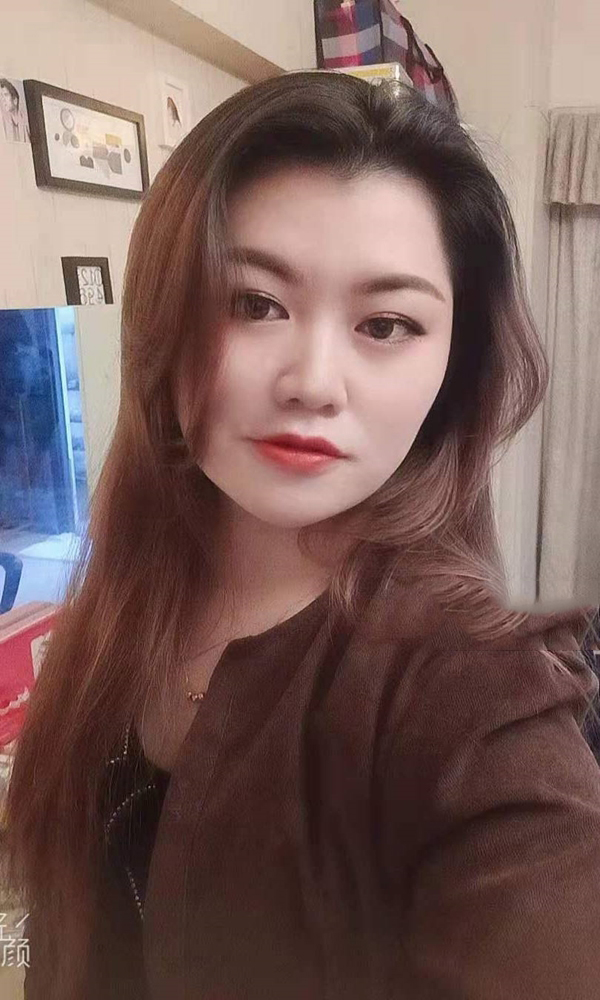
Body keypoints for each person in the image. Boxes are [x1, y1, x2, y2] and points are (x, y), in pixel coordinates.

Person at [5, 71, 600, 1000]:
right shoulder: (125, 602)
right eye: (254, 303)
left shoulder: (480, 703)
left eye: (386, 324)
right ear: (163, 319)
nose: (314, 382)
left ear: (454, 367)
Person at [0, 79, 30, 143]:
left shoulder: (26, 121)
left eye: (6, 95)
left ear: (15, 100)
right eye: (2, 96)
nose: (3, 99)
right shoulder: (4, 123)